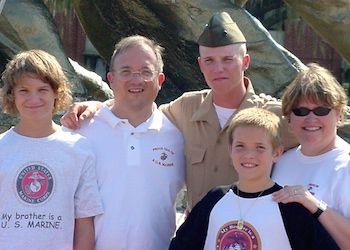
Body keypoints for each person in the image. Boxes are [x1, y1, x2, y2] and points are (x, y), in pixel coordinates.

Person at [61, 12, 297, 210]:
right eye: (210, 60)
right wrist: (95, 108)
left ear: (245, 62)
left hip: (253, 233)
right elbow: (136, 109)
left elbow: (319, 140)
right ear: (201, 65)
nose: (219, 68)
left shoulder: (274, 116)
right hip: (197, 237)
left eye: (228, 59)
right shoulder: (186, 108)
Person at [69, 35, 185, 249]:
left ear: (160, 80)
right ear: (110, 79)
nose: (136, 80)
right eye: (126, 71)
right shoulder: (79, 130)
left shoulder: (178, 135)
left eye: (145, 72)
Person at [169, 107, 339, 250]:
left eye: (260, 147)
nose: (249, 155)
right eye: (240, 146)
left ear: (277, 153)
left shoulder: (289, 206)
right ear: (230, 149)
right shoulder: (214, 199)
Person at [0, 50, 103, 250]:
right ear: (11, 95)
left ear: (57, 92)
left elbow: (84, 221)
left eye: (42, 89)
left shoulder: (79, 149)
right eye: (24, 90)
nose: (34, 98)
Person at [272, 63, 350, 249]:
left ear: (338, 114)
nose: (311, 119)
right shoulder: (280, 161)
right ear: (289, 118)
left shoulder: (346, 165)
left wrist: (314, 205)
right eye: (301, 111)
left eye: (321, 110)